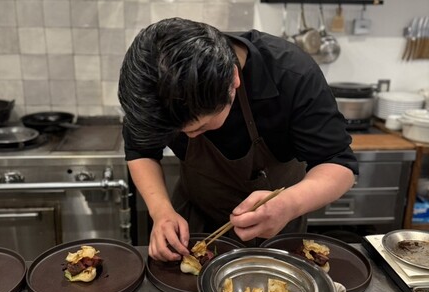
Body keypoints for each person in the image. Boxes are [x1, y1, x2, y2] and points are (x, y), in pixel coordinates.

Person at [118, 17, 357, 261]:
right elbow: (141, 150)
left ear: (233, 80)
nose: (188, 136)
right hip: (196, 223)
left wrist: (289, 203)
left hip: (278, 229)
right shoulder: (151, 91)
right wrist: (161, 211)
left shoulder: (292, 74)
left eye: (200, 127)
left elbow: (339, 165)